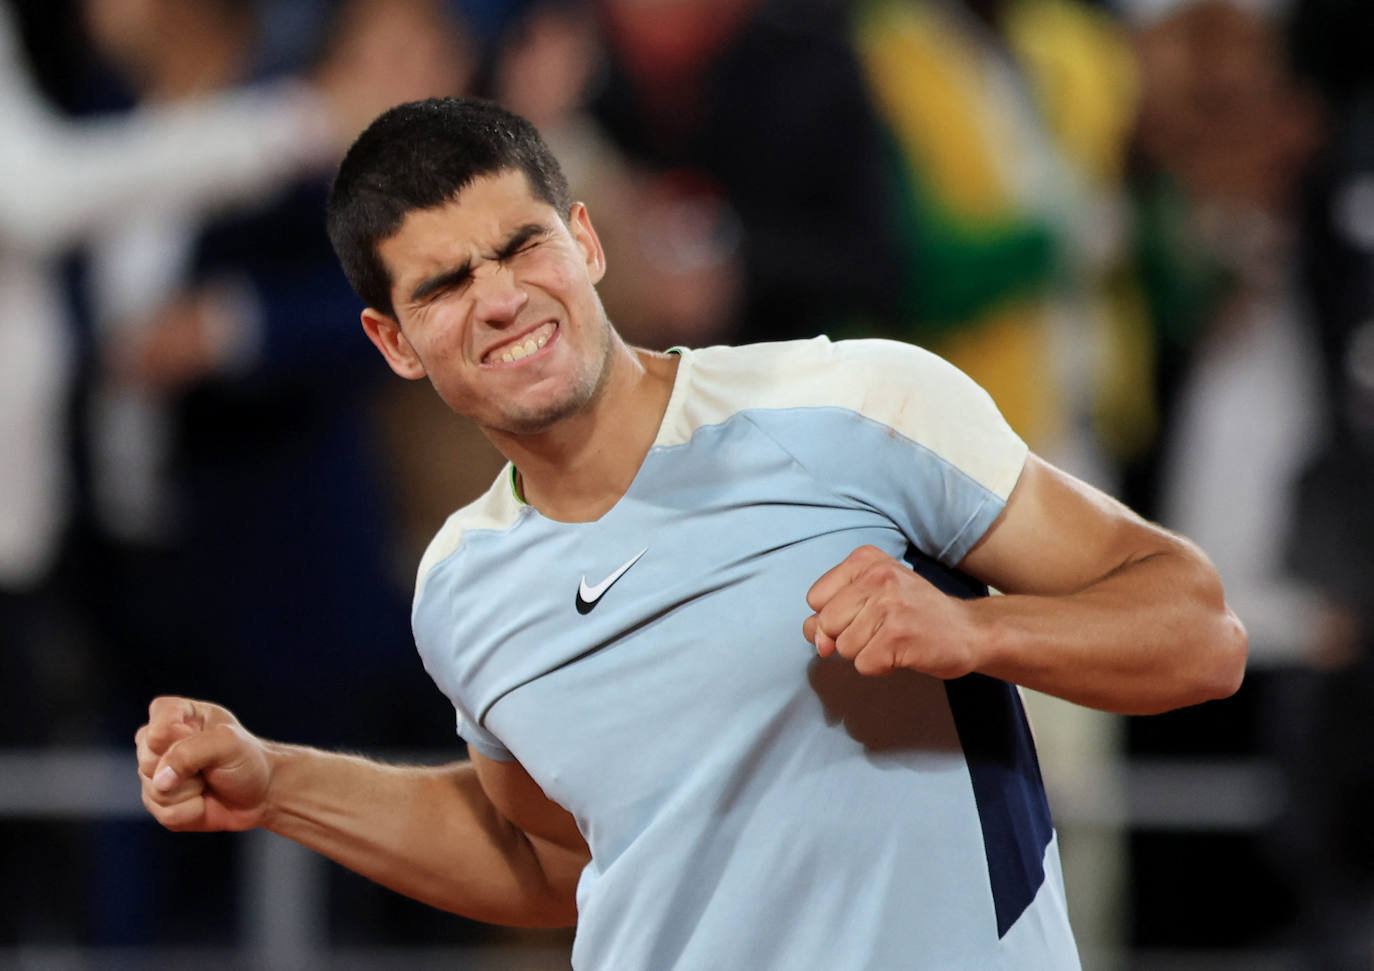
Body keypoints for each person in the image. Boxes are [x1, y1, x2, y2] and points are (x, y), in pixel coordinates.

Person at [135, 97, 1247, 968]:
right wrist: (276, 781)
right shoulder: (461, 585)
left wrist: (974, 634)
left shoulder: (854, 402)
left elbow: (1199, 630)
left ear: (586, 240)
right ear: (393, 341)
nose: (502, 297)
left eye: (523, 245)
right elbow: (549, 855)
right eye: (445, 283)